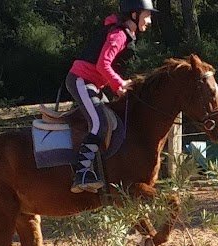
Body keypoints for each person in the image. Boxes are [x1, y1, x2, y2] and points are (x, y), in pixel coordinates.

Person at [66, 0, 157, 193]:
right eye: (147, 15)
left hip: (94, 84)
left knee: (114, 121)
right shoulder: (118, 35)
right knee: (100, 123)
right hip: (81, 81)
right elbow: (102, 65)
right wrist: (119, 85)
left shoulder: (124, 33)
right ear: (134, 14)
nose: (149, 21)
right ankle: (81, 173)